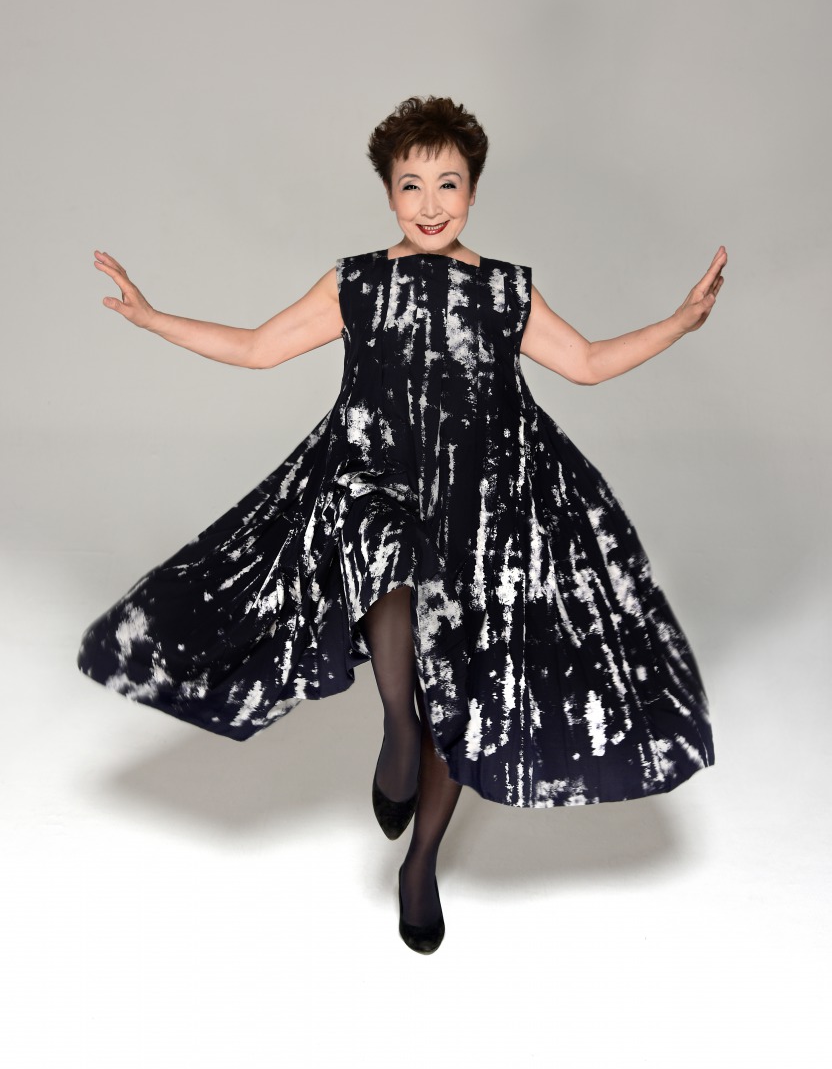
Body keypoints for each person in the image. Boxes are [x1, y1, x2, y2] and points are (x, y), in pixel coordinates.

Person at [78, 94, 726, 955]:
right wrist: (151, 315)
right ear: (387, 194)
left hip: (482, 499)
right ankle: (397, 725)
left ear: (472, 192)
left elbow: (587, 363)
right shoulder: (355, 282)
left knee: (459, 680)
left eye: (447, 184)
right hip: (371, 478)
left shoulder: (503, 289)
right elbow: (258, 348)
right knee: (386, 583)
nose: (429, 204)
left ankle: (419, 862)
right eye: (410, 185)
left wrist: (680, 321)